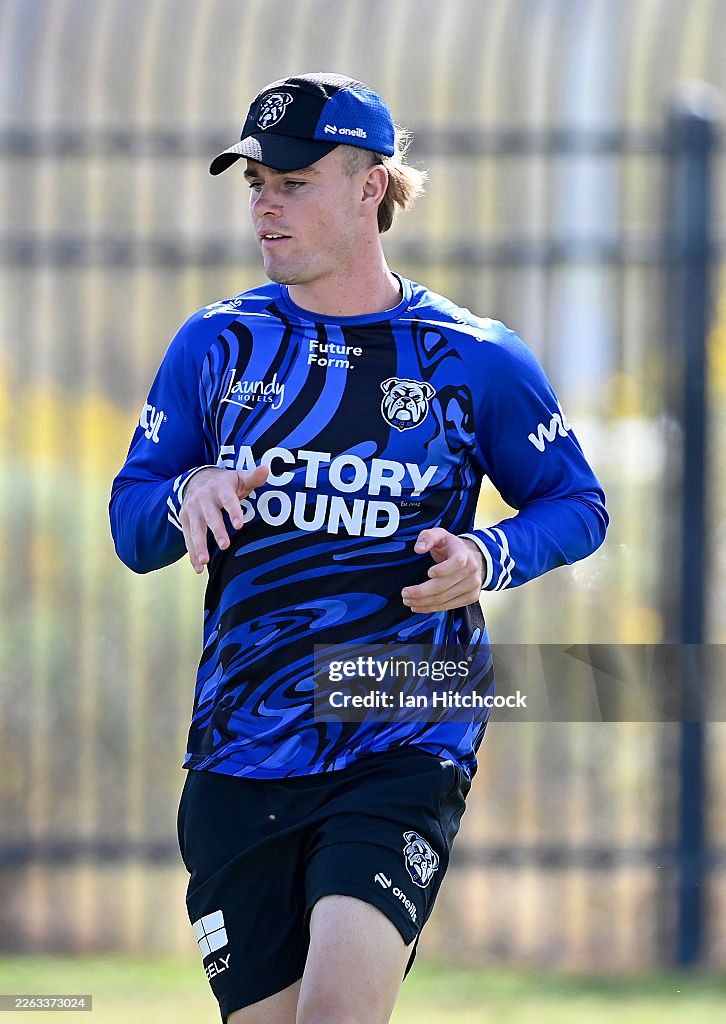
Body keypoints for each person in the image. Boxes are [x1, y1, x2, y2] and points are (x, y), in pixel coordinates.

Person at [109, 72, 608, 1024]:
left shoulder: (471, 354)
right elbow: (132, 527)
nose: (265, 201)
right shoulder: (216, 345)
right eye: (254, 179)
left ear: (371, 186)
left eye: (294, 181)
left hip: (404, 725)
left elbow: (576, 505)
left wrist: (485, 557)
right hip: (240, 747)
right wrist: (187, 492)